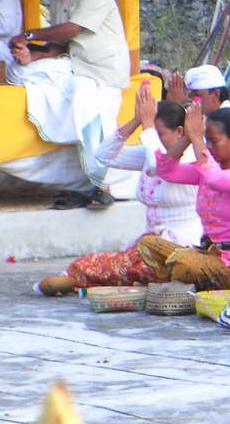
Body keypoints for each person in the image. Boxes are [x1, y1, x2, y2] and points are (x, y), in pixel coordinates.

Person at [34, 83, 199, 295]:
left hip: (182, 247)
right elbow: (104, 155)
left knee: (96, 267)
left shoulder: (189, 158)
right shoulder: (150, 151)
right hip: (151, 245)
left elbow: (160, 166)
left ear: (179, 132)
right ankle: (78, 281)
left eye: (161, 134)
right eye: (153, 133)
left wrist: (148, 126)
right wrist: (136, 121)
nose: (154, 138)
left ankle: (78, 281)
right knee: (92, 265)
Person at [139, 102, 230, 290]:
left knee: (183, 263)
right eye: (207, 141)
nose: (209, 147)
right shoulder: (206, 170)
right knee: (148, 244)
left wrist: (197, 139)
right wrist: (188, 137)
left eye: (214, 141)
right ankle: (177, 278)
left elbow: (217, 180)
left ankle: (173, 278)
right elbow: (165, 170)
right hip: (206, 254)